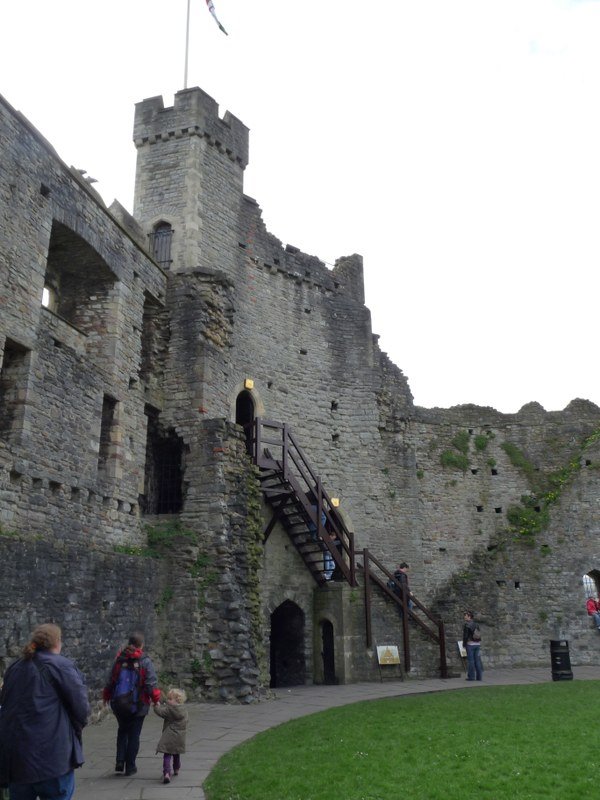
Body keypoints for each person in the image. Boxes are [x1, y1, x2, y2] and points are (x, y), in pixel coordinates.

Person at [0, 622, 90, 800]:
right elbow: (81, 709)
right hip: (52, 757)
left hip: (18, 760)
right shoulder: (62, 666)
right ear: (58, 642)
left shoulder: (15, 668)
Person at [103, 632, 161, 777]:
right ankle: (130, 766)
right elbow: (150, 684)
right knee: (134, 735)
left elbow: (111, 681)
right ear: (141, 645)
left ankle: (119, 761)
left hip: (119, 704)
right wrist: (156, 700)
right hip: (138, 705)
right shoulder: (145, 661)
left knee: (122, 731)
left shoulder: (119, 659)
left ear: (129, 643)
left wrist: (106, 697)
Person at [153, 688, 188, 784]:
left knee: (167, 754)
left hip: (170, 735)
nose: (168, 700)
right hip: (180, 736)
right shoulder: (184, 710)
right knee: (176, 753)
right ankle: (176, 768)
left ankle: (167, 773)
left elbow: (161, 712)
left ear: (177, 700)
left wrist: (156, 706)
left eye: (170, 699)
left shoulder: (169, 710)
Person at [462, 610, 483, 681]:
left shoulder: (467, 625)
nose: (464, 616)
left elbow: (465, 636)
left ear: (469, 617)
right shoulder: (476, 624)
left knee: (471, 661)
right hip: (477, 644)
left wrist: (464, 644)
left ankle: (471, 677)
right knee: (477, 661)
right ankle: (479, 677)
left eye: (465, 615)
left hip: (470, 644)